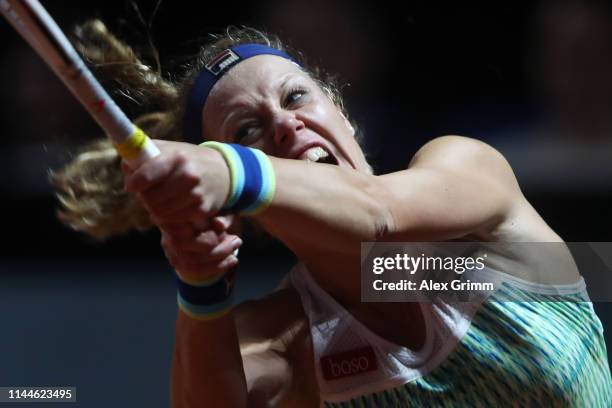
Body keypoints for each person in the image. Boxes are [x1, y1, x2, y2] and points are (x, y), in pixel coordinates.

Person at [52, 20, 612, 407]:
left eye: (295, 97)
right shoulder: (283, 340)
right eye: (246, 131)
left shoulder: (466, 180)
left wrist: (227, 166)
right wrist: (199, 287)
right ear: (242, 212)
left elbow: (380, 221)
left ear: (339, 109)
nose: (283, 124)